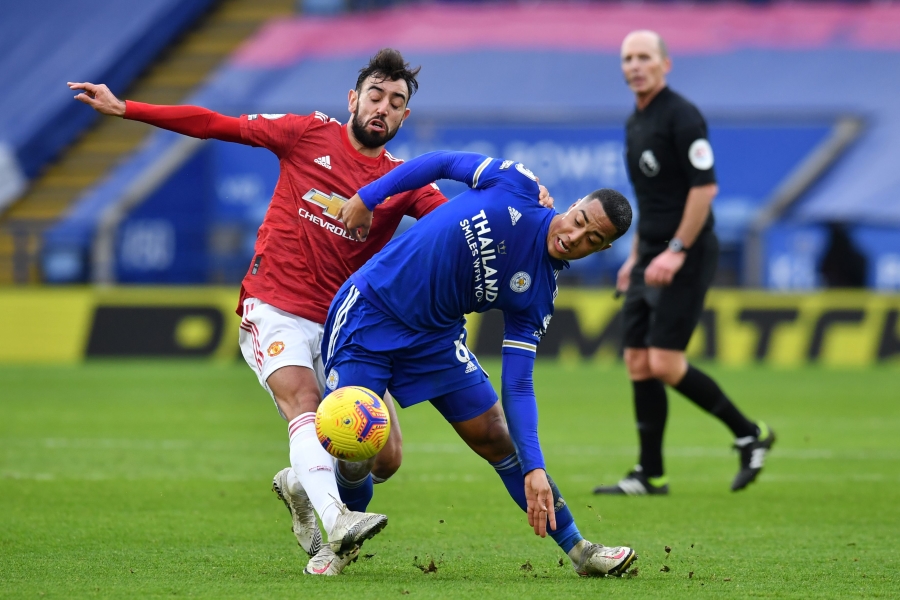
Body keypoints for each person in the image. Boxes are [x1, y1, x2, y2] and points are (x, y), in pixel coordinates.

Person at [70, 50, 456, 575]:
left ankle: (302, 484)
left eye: (396, 101)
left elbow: (457, 222)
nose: (382, 107)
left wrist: (519, 210)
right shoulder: (306, 134)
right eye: (375, 94)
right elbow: (213, 124)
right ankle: (334, 523)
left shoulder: (402, 180)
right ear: (353, 98)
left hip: (346, 328)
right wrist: (127, 109)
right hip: (275, 306)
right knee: (303, 402)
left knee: (381, 458)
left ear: (404, 117)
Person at [330, 150, 637, 577]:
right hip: (372, 310)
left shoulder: (538, 296)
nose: (576, 237)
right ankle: (336, 537)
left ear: (602, 249)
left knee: (496, 434)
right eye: (581, 220)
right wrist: (369, 195)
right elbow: (439, 163)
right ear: (575, 204)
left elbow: (517, 386)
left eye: (593, 240)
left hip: (435, 338)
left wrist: (535, 468)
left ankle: (580, 550)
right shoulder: (519, 184)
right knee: (356, 444)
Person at [593, 31, 775, 497]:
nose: (635, 65)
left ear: (665, 64)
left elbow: (703, 189)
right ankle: (649, 475)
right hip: (650, 251)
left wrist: (675, 251)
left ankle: (749, 433)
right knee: (637, 361)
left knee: (665, 362)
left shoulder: (681, 116)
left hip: (685, 252)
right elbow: (650, 198)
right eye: (627, 58)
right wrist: (634, 256)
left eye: (644, 57)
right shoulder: (636, 122)